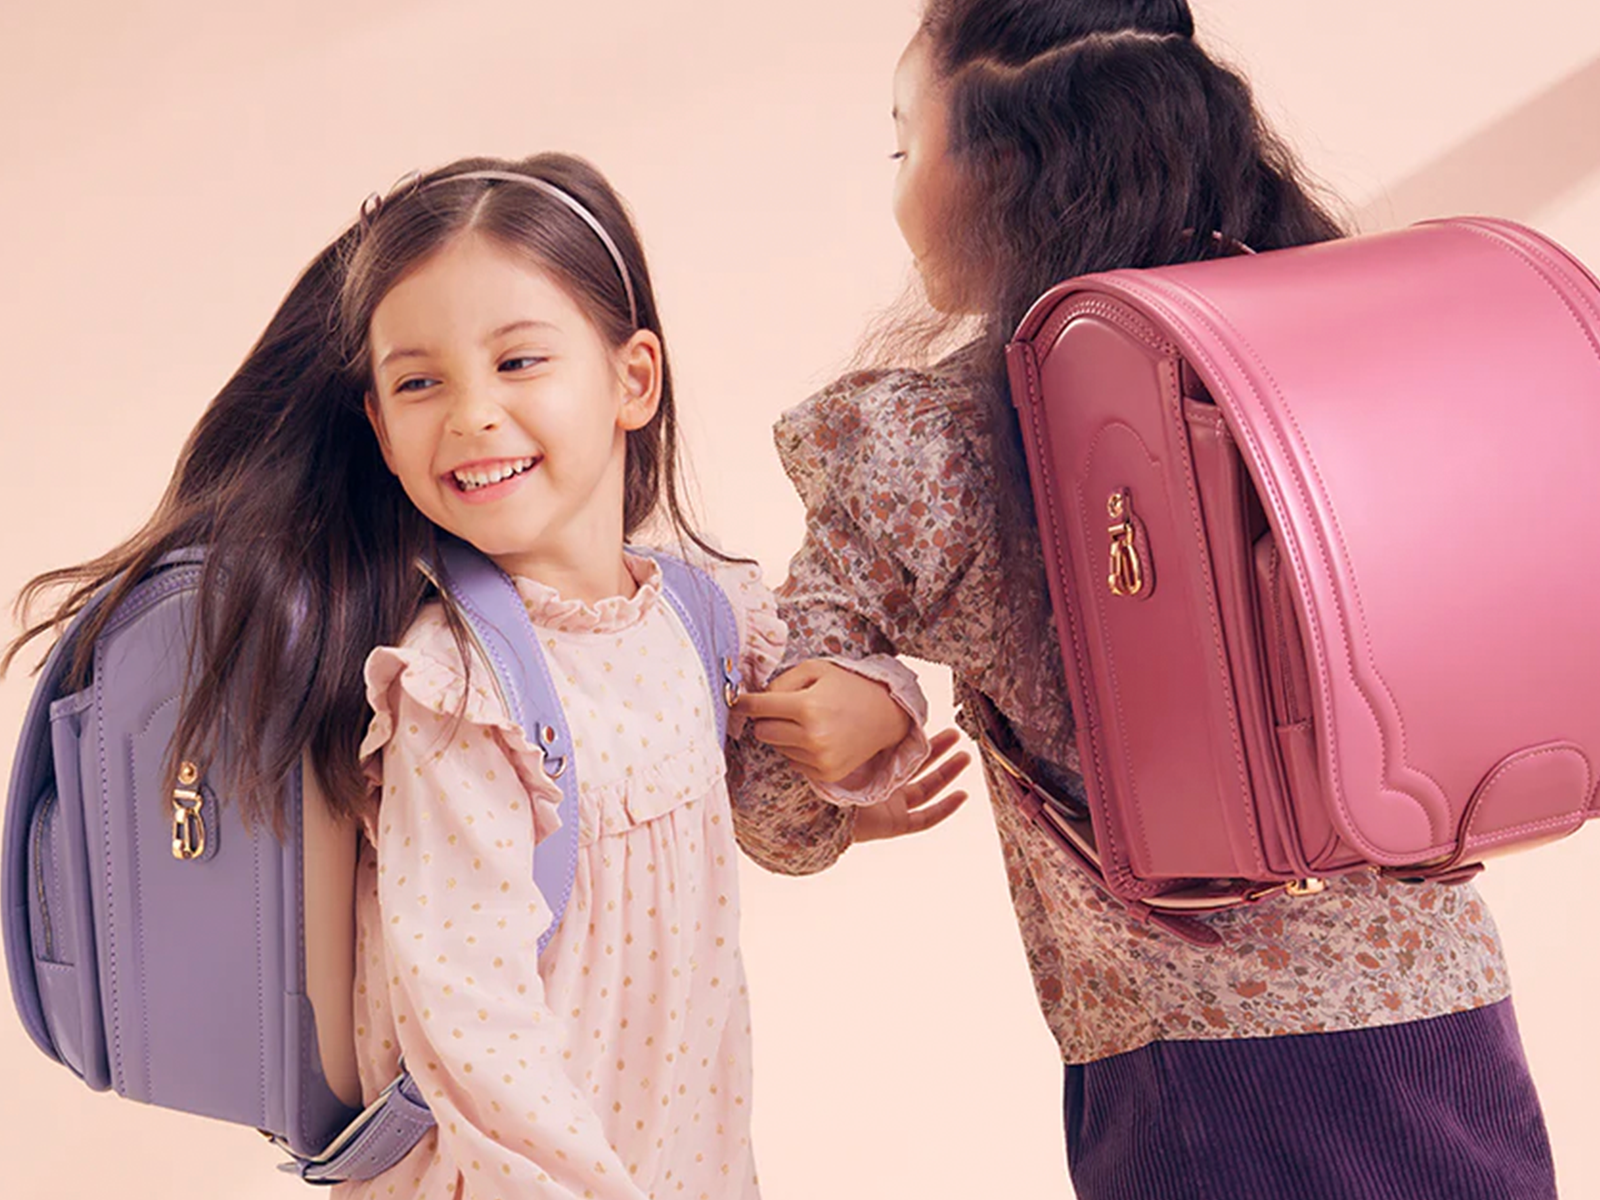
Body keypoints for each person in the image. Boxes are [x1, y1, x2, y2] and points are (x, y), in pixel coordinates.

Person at [5, 152, 955, 1198]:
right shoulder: (455, 694)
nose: (471, 415)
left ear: (633, 379)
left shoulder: (700, 615)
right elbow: (476, 1029)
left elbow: (761, 800)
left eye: (518, 361)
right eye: (420, 382)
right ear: (381, 429)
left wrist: (874, 720)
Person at [732, 4, 1559, 1197]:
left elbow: (775, 808)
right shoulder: (1336, 337)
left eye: (905, 145)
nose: (898, 191)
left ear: (1000, 165)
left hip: (1202, 1078)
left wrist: (866, 722)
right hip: (1448, 1013)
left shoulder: (931, 447)